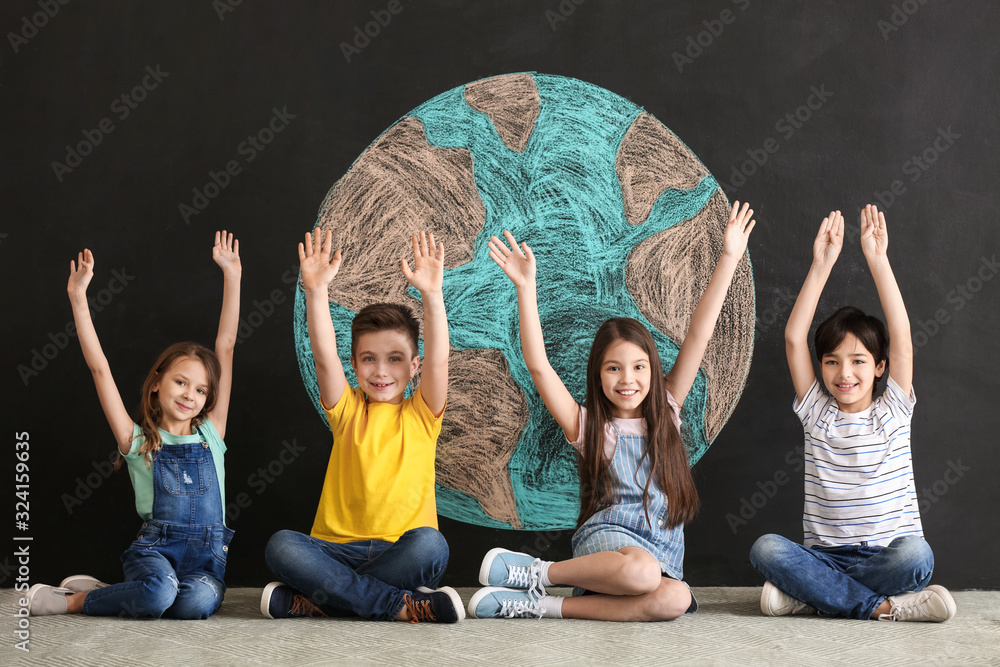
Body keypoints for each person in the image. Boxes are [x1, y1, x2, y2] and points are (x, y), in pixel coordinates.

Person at [468, 202, 756, 621]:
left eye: (639, 367)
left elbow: (700, 331)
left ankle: (544, 606)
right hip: (608, 548)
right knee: (639, 572)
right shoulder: (589, 426)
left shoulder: (669, 409)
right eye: (614, 368)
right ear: (599, 376)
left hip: (660, 557)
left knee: (676, 599)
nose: (628, 379)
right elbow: (539, 367)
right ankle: (538, 572)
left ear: (653, 371)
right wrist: (525, 289)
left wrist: (729, 256)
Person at [749, 204, 956, 622]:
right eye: (831, 361)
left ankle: (812, 597)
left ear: (880, 367)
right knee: (765, 548)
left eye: (859, 361)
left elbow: (902, 339)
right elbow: (793, 338)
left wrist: (877, 261)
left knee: (918, 555)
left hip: (886, 558)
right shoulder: (816, 413)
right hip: (825, 557)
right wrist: (820, 264)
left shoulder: (894, 410)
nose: (845, 373)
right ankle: (881, 607)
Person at [28, 231, 242, 619]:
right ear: (158, 382)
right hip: (154, 554)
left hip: (204, 566)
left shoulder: (213, 432)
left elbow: (225, 344)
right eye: (180, 382)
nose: (189, 395)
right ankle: (74, 600)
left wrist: (233, 275)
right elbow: (99, 369)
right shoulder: (138, 440)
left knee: (193, 604)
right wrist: (79, 300)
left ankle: (125, 592)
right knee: (159, 594)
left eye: (199, 390)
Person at [261, 228, 463, 623]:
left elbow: (441, 360)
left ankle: (322, 599)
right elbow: (323, 358)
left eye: (395, 359)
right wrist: (316, 291)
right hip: (332, 550)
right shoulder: (348, 409)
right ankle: (395, 603)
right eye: (368, 359)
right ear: (353, 365)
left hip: (399, 552)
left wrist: (432, 296)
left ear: (414, 365)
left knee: (431, 545)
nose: (381, 371)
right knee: (282, 545)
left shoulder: (422, 413)